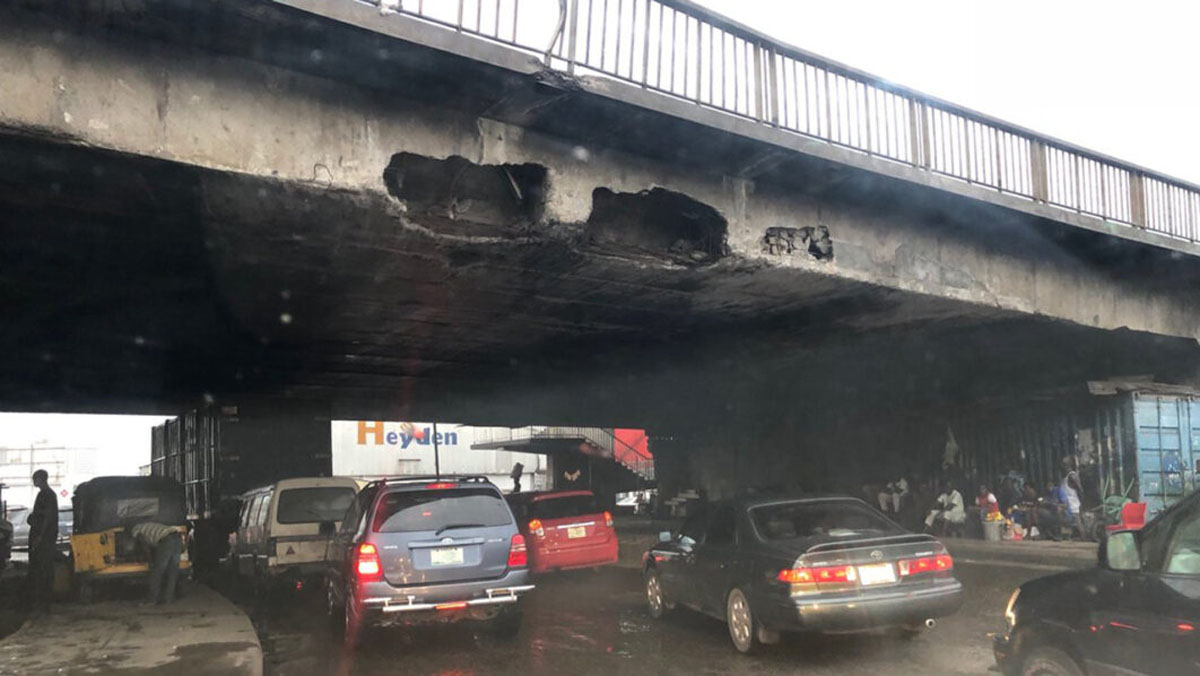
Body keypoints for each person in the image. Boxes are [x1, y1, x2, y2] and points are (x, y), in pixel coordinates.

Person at [26, 469, 58, 610]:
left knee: (43, 568)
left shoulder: (47, 495)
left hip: (44, 538)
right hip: (43, 536)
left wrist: (40, 536)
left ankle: (44, 601)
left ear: (41, 479)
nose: (34, 481)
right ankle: (42, 600)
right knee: (40, 567)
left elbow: (47, 517)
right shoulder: (45, 495)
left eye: (35, 479)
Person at [131, 521, 183, 605]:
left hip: (166, 540)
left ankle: (152, 599)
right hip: (177, 538)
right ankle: (168, 599)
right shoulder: (147, 525)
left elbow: (145, 547)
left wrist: (150, 561)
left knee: (157, 571)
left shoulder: (136, 530)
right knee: (172, 571)